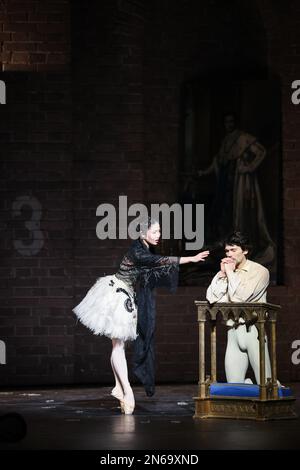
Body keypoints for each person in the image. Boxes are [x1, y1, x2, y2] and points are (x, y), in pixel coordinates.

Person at [72, 217, 209, 414]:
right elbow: (159, 261)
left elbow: (154, 263)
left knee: (117, 345)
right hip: (116, 294)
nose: (158, 235)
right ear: (143, 234)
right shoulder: (138, 251)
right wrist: (190, 259)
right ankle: (126, 390)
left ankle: (119, 386)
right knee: (118, 345)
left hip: (124, 292)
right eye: (155, 232)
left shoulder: (144, 247)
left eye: (159, 231)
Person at [198, 113, 275, 266]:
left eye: (231, 121)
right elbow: (218, 161)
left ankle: (242, 250)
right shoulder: (226, 141)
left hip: (240, 183)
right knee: (223, 215)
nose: (229, 124)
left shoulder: (243, 138)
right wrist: (203, 173)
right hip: (226, 184)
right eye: (226, 122)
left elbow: (261, 152)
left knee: (240, 215)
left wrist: (249, 168)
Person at [206, 231, 272, 384]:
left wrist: (230, 273)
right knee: (234, 385)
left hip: (254, 330)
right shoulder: (227, 272)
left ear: (245, 250)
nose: (229, 255)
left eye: (234, 250)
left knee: (265, 382)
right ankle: (247, 387)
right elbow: (211, 297)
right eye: (227, 251)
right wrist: (222, 275)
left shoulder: (260, 271)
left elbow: (240, 298)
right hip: (233, 331)